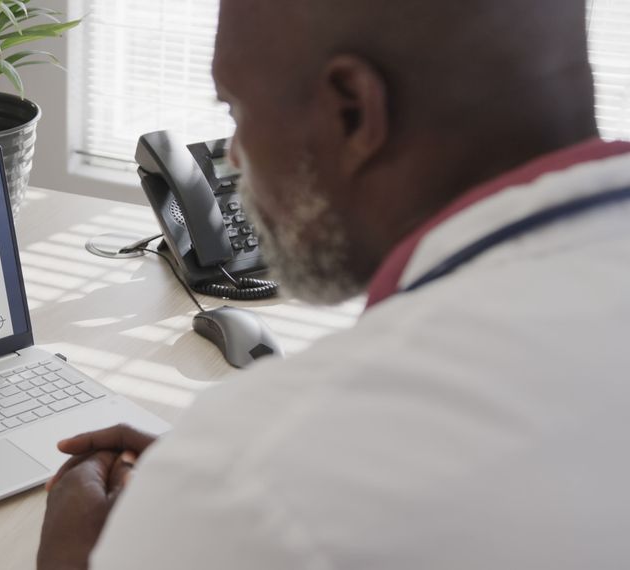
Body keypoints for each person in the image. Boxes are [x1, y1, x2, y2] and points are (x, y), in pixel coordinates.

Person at [37, 0, 630, 568]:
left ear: (350, 111)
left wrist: (205, 498)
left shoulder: (257, 478)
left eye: (238, 113)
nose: (236, 157)